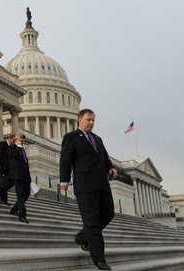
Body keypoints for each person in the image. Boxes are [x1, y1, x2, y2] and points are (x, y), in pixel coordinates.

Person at [59, 109, 118, 271]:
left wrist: (111, 168)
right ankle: (99, 258)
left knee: (108, 213)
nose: (91, 122)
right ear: (79, 120)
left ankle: (82, 236)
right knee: (91, 221)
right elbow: (65, 159)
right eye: (88, 120)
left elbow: (104, 157)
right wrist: (64, 179)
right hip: (84, 185)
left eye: (93, 120)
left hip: (102, 184)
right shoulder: (71, 137)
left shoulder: (97, 138)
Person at [9, 133, 31, 224]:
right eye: (21, 140)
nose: (23, 142)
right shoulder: (12, 148)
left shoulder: (22, 149)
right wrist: (18, 146)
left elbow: (25, 163)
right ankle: (22, 216)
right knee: (21, 195)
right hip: (17, 175)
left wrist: (29, 177)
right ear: (17, 140)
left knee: (27, 194)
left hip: (25, 175)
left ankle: (14, 209)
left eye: (23, 141)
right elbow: (13, 155)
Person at [0, 134, 16, 205]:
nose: (14, 142)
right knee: (3, 184)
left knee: (11, 181)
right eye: (13, 140)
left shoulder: (11, 147)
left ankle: (0, 193)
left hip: (9, 169)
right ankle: (4, 200)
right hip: (2, 168)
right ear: (9, 138)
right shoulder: (2, 144)